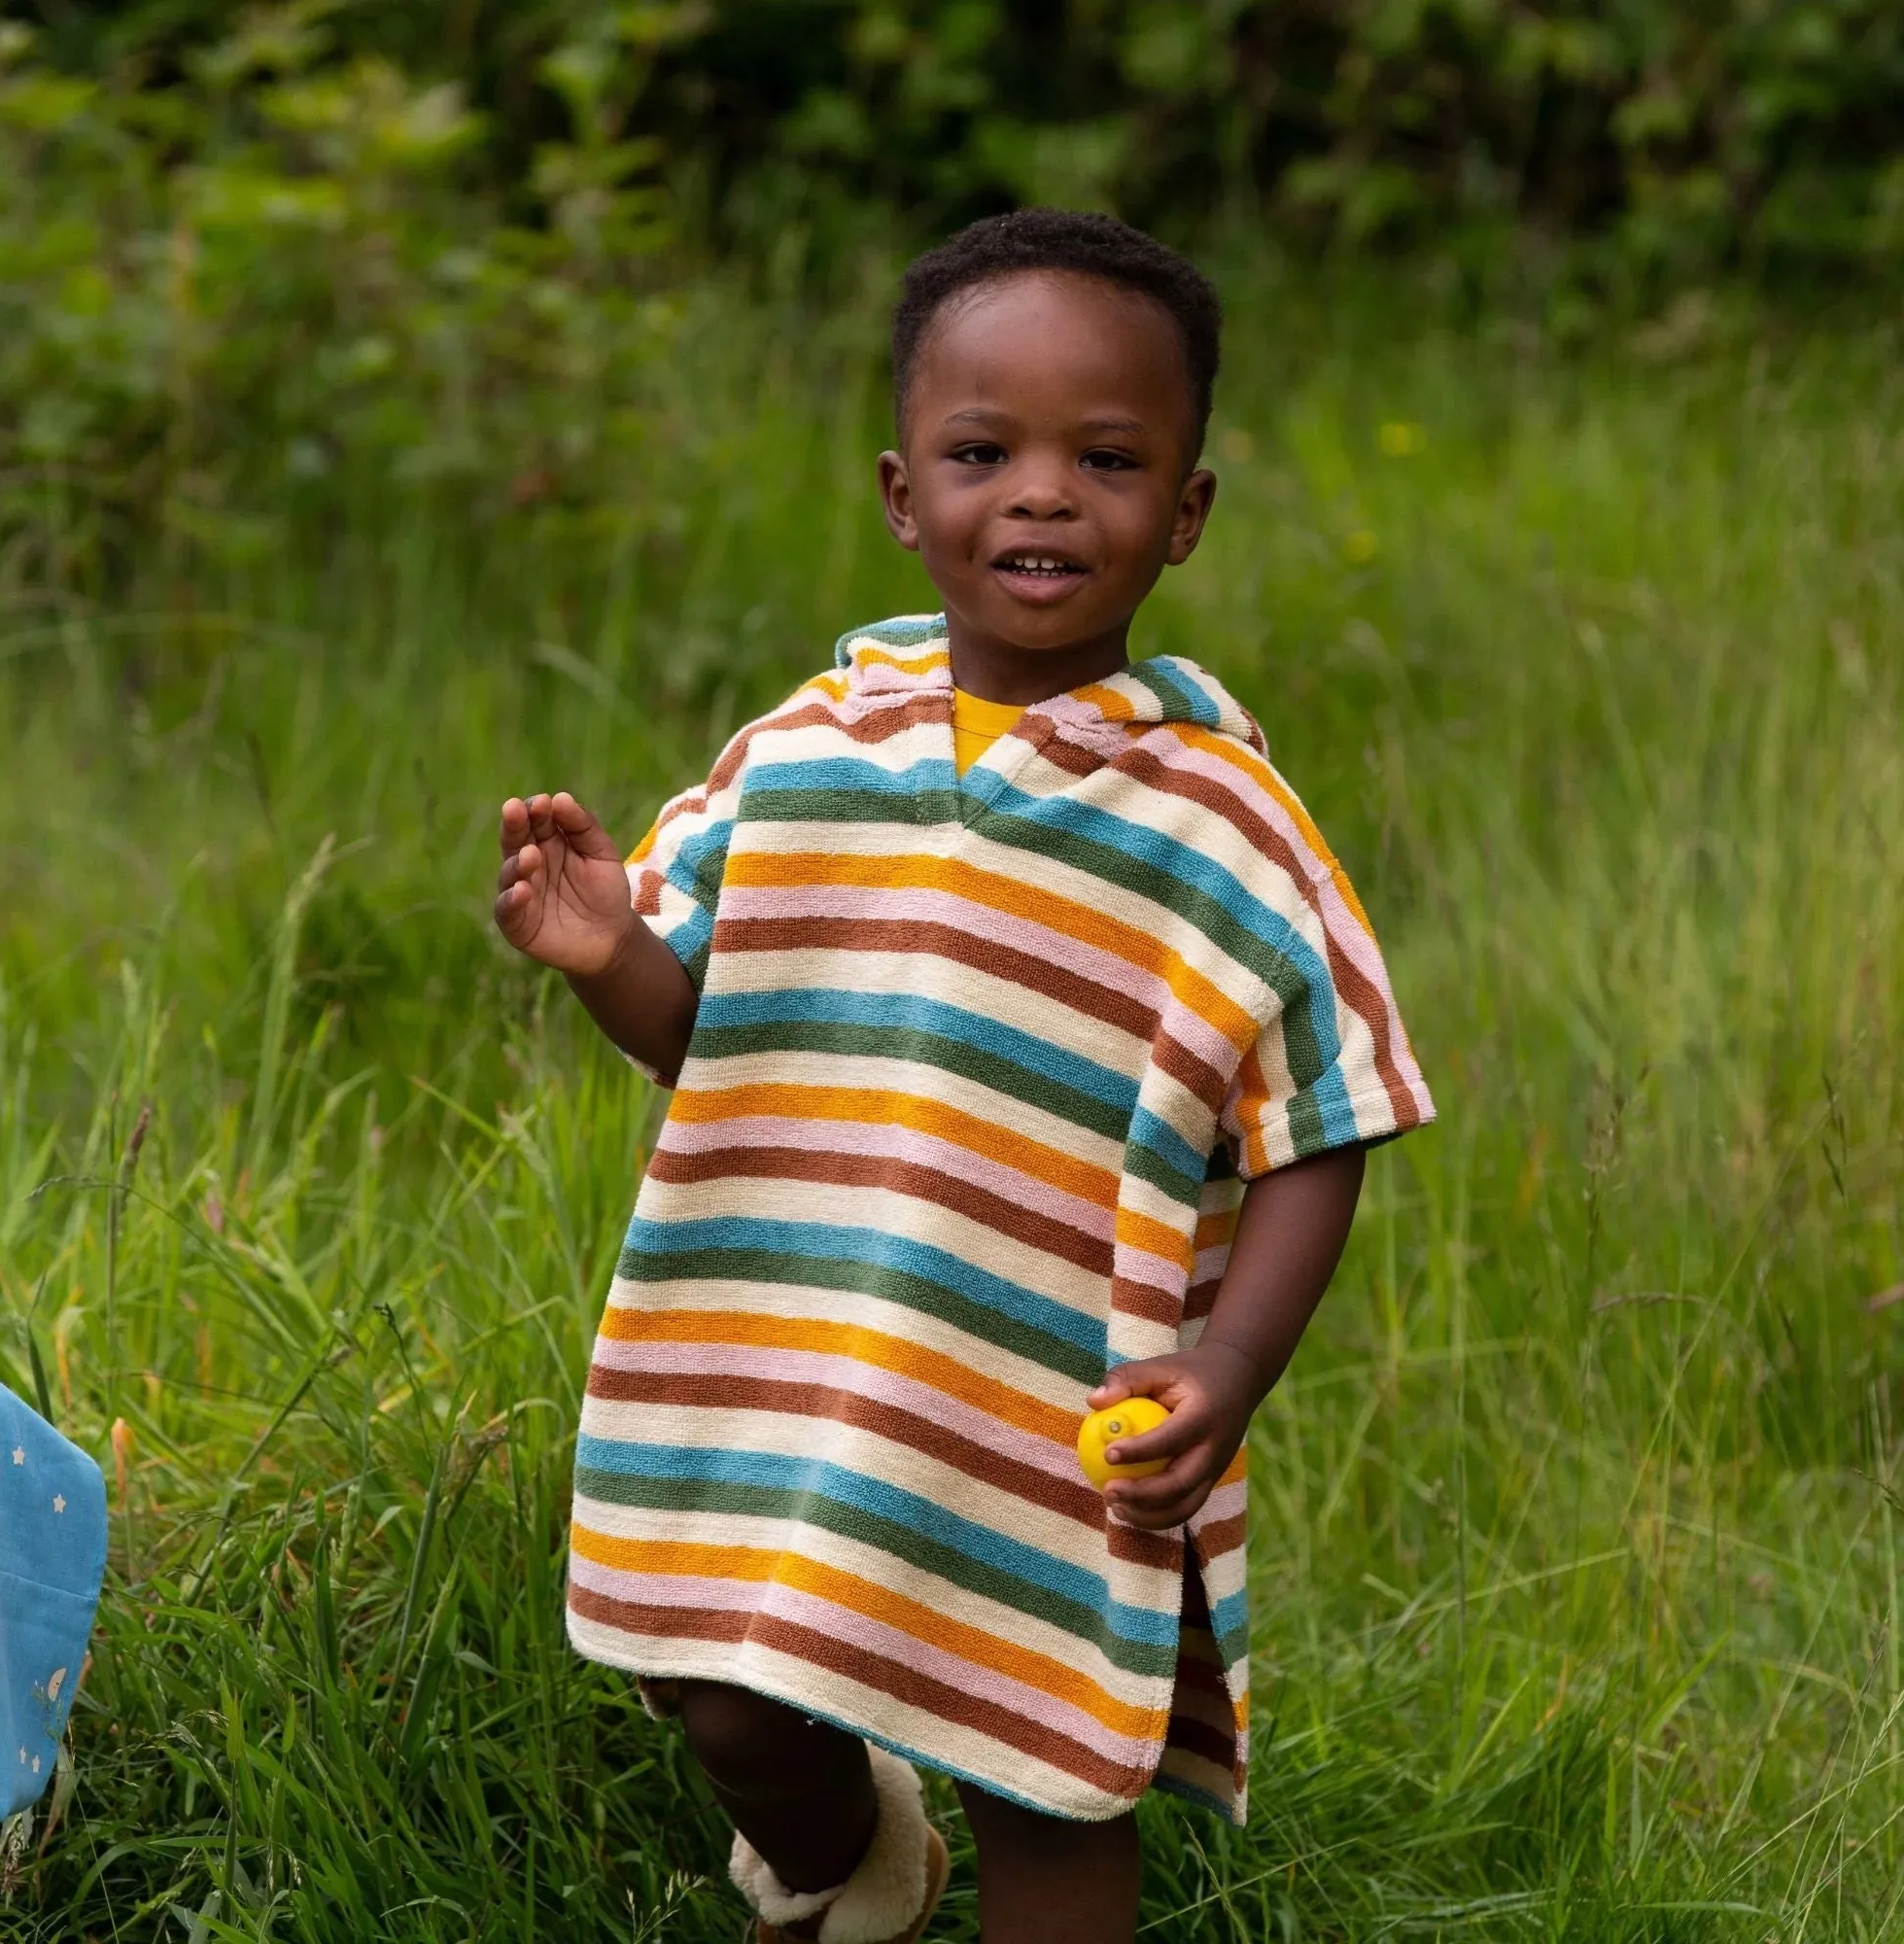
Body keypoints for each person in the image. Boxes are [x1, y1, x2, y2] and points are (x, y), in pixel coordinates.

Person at [493, 207, 1434, 1944]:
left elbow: (1324, 1121)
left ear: (1188, 512)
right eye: (985, 451)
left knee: (1044, 1776)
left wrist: (1227, 1366)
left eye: (1110, 456)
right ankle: (855, 1857)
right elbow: (708, 1027)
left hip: (1046, 1401)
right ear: (903, 493)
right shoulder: (800, 758)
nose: (1045, 494)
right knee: (720, 1689)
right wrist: (612, 954)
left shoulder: (1223, 832)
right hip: (783, 1343)